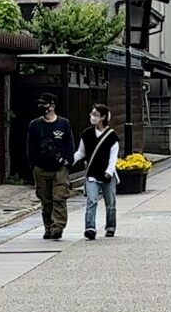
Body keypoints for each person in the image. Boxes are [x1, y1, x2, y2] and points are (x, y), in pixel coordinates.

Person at [24, 94, 77, 240]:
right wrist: (33, 165)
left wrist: (68, 161)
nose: (42, 107)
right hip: (41, 168)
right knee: (45, 199)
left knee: (59, 197)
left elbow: (69, 143)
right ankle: (48, 227)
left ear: (52, 106)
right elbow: (30, 146)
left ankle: (57, 227)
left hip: (60, 168)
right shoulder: (35, 125)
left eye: (45, 104)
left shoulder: (63, 124)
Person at [78, 104, 123, 241]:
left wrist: (109, 171)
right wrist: (69, 161)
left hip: (107, 174)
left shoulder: (112, 136)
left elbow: (113, 156)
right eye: (92, 114)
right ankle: (90, 228)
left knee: (110, 202)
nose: (92, 117)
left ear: (103, 117)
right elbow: (81, 153)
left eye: (95, 115)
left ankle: (110, 226)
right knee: (91, 200)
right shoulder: (86, 134)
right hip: (92, 173)